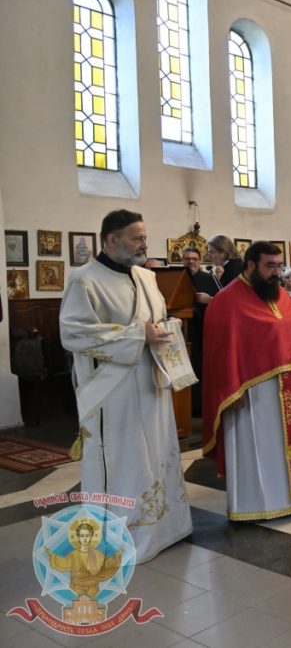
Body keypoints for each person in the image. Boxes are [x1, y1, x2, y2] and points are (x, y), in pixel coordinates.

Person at [59, 209, 192, 562]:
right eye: (136, 238)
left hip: (150, 384)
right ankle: (118, 541)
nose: (144, 244)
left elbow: (158, 319)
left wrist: (168, 327)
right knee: (125, 459)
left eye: (144, 237)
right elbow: (72, 333)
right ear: (111, 240)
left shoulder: (146, 277)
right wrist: (138, 335)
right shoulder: (84, 279)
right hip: (112, 393)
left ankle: (164, 528)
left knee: (156, 453)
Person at [202, 242, 291, 520]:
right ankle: (258, 506)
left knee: (288, 447)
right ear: (249, 265)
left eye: (279, 266)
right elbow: (220, 354)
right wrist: (230, 391)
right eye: (270, 266)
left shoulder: (281, 296)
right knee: (260, 450)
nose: (277, 272)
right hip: (251, 395)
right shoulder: (226, 302)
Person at [183, 246, 220, 416]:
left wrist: (209, 301)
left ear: (200, 261)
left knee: (201, 367)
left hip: (202, 331)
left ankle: (200, 407)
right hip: (184, 331)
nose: (190, 261)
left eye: (194, 259)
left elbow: (223, 304)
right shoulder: (178, 278)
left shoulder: (208, 278)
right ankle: (187, 407)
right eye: (187, 258)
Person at [46, 520, 123, 599]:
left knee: (93, 604)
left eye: (87, 535)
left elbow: (105, 564)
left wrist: (116, 556)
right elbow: (65, 563)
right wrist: (52, 556)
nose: (85, 538)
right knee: (76, 604)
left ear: (91, 537)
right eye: (82, 536)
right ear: (78, 537)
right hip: (77, 586)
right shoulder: (74, 554)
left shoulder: (97, 554)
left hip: (92, 586)